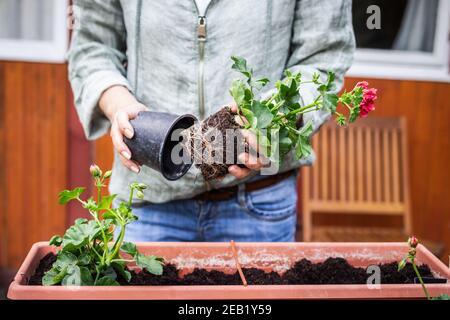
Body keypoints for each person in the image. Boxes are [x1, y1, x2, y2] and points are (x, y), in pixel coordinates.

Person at [68, 0, 355, 242]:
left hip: (258, 203)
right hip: (148, 198)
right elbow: (93, 48)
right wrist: (120, 104)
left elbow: (324, 55)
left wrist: (278, 119)